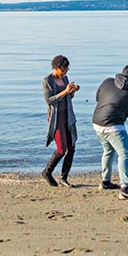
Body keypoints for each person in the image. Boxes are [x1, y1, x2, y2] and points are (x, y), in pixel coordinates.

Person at [92, 64, 128, 199]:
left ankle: (105, 181)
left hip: (96, 122)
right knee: (124, 153)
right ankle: (125, 188)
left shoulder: (107, 82)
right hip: (113, 125)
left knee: (108, 150)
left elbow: (98, 98)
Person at [42, 54, 79, 186]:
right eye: (63, 71)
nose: (64, 73)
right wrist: (64, 92)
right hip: (56, 117)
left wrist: (72, 91)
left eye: (66, 71)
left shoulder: (65, 78)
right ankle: (47, 172)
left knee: (72, 146)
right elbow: (49, 100)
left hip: (67, 115)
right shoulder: (47, 80)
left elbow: (69, 98)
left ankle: (64, 177)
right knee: (61, 148)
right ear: (56, 68)